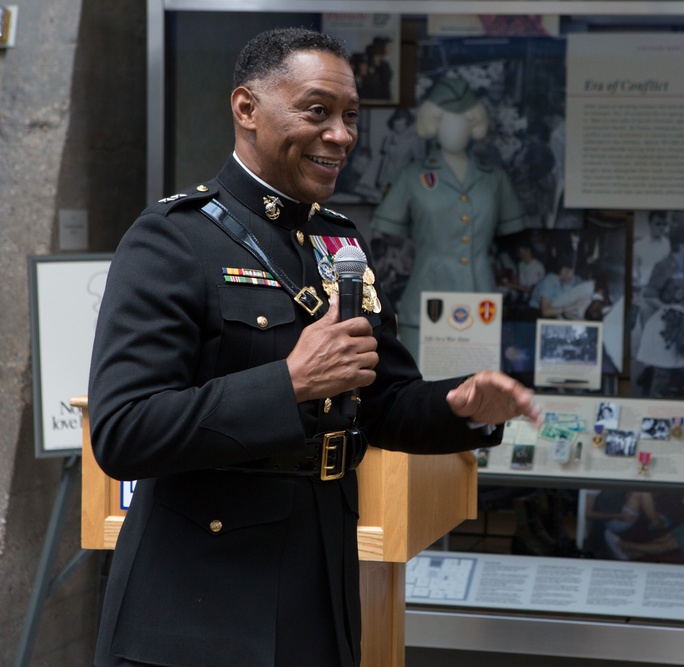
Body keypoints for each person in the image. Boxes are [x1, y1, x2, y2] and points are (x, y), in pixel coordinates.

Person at [87, 28, 540, 667]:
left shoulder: (336, 242)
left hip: (319, 581)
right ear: (247, 109)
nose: (342, 135)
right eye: (317, 111)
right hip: (200, 604)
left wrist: (462, 406)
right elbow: (123, 431)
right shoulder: (171, 241)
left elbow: (381, 401)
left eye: (351, 117)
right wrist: (290, 382)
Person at [372, 76, 527, 354]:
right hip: (425, 303)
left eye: (463, 121)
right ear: (432, 124)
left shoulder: (495, 179)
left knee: (478, 390)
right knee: (421, 390)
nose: (454, 129)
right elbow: (387, 236)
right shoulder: (411, 177)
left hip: (481, 301)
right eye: (445, 119)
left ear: (474, 125)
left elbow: (512, 232)